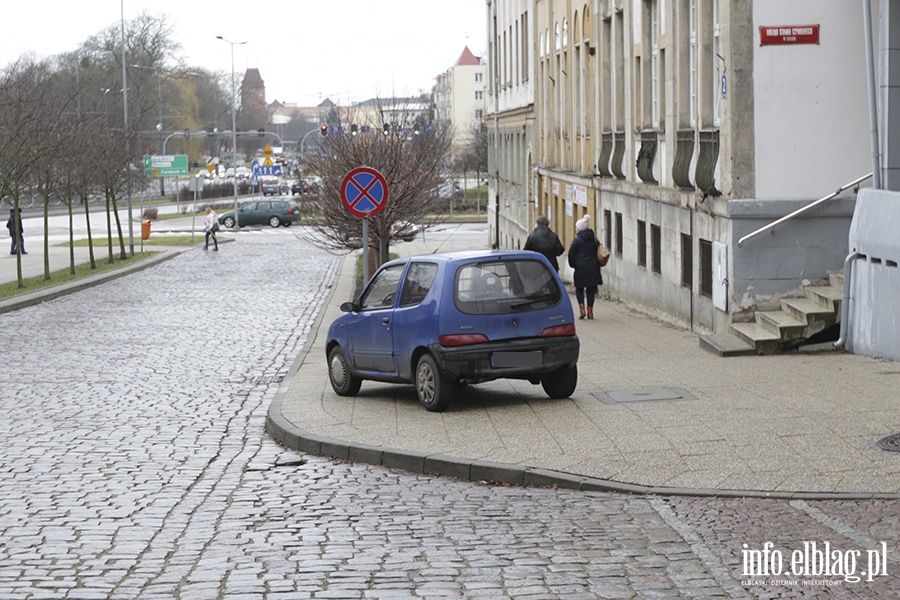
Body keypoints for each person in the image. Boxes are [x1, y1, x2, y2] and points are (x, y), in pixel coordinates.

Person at [568, 214, 603, 320]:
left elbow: (571, 254)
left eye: (576, 228)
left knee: (579, 289)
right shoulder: (593, 239)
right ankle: (590, 312)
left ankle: (582, 309)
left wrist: (573, 264)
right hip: (593, 267)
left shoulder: (577, 240)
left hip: (580, 268)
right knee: (590, 290)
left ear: (579, 229)